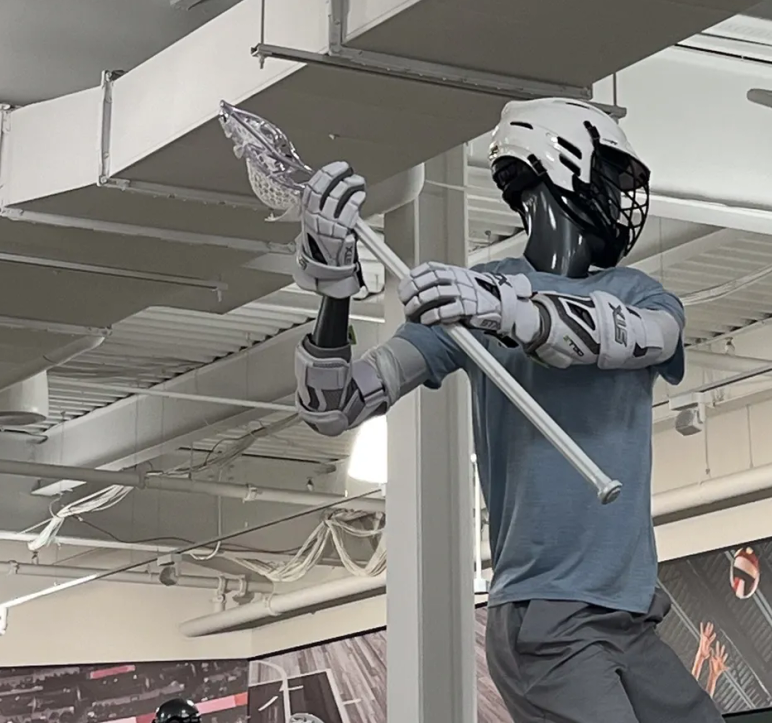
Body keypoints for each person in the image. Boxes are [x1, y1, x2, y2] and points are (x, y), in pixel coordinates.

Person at [290, 98, 721, 723]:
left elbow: (634, 337)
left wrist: (508, 309)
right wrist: (333, 289)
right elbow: (336, 405)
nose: (622, 192)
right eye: (611, 171)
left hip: (630, 616)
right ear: (563, 162)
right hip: (549, 616)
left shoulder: (630, 295)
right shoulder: (466, 307)